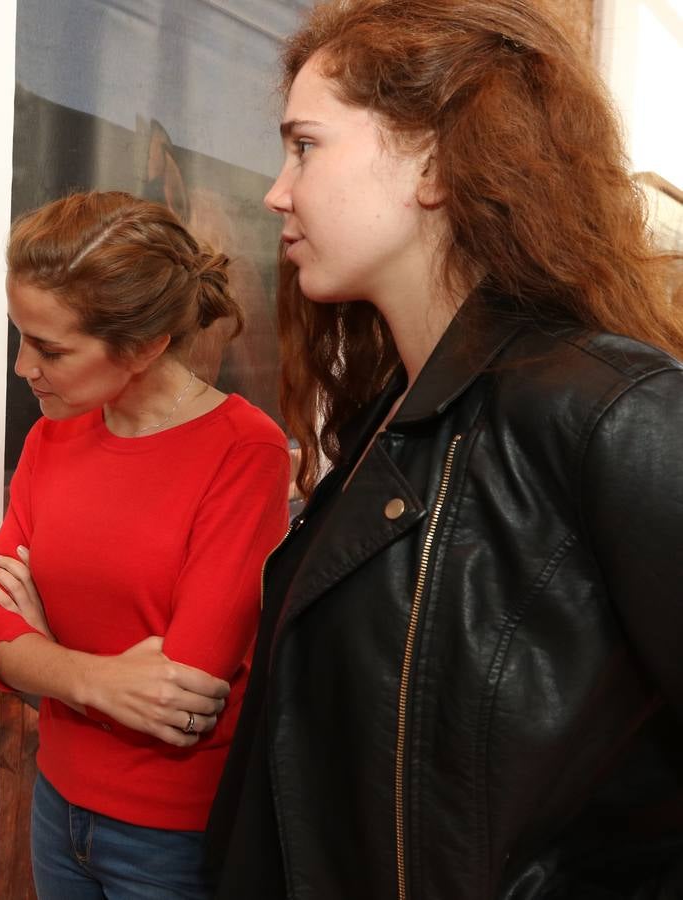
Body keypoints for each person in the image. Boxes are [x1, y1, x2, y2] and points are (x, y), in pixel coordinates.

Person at [203, 1, 683, 898]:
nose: (277, 190)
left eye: (305, 145)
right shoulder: (391, 417)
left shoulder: (611, 412)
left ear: (433, 160)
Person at [0, 191, 290, 899]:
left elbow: (186, 695)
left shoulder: (244, 451)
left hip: (169, 835)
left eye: (50, 347)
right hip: (55, 805)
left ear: (143, 346)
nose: (25, 367)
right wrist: (98, 679)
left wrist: (43, 653)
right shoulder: (52, 436)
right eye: (22, 336)